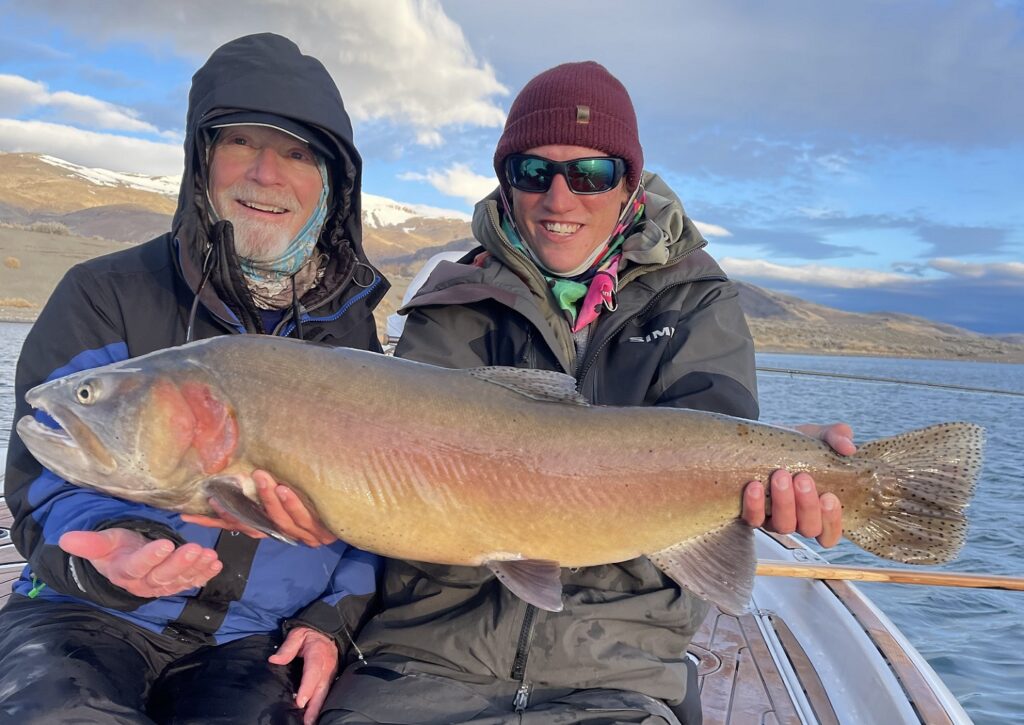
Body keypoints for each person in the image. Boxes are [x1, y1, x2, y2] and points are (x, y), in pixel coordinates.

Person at [312, 61, 854, 724]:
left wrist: (795, 472)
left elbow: (712, 441)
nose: (558, 198)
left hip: (616, 667)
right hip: (428, 655)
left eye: (589, 173)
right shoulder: (449, 301)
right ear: (506, 183)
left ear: (628, 182)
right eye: (533, 172)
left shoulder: (695, 299)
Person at [0, 33, 387, 724]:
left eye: (297, 152)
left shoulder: (355, 337)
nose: (266, 173)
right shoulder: (103, 293)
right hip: (81, 617)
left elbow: (377, 517)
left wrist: (333, 618)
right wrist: (111, 554)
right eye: (242, 141)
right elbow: (44, 476)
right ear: (202, 159)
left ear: (331, 183)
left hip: (254, 646)